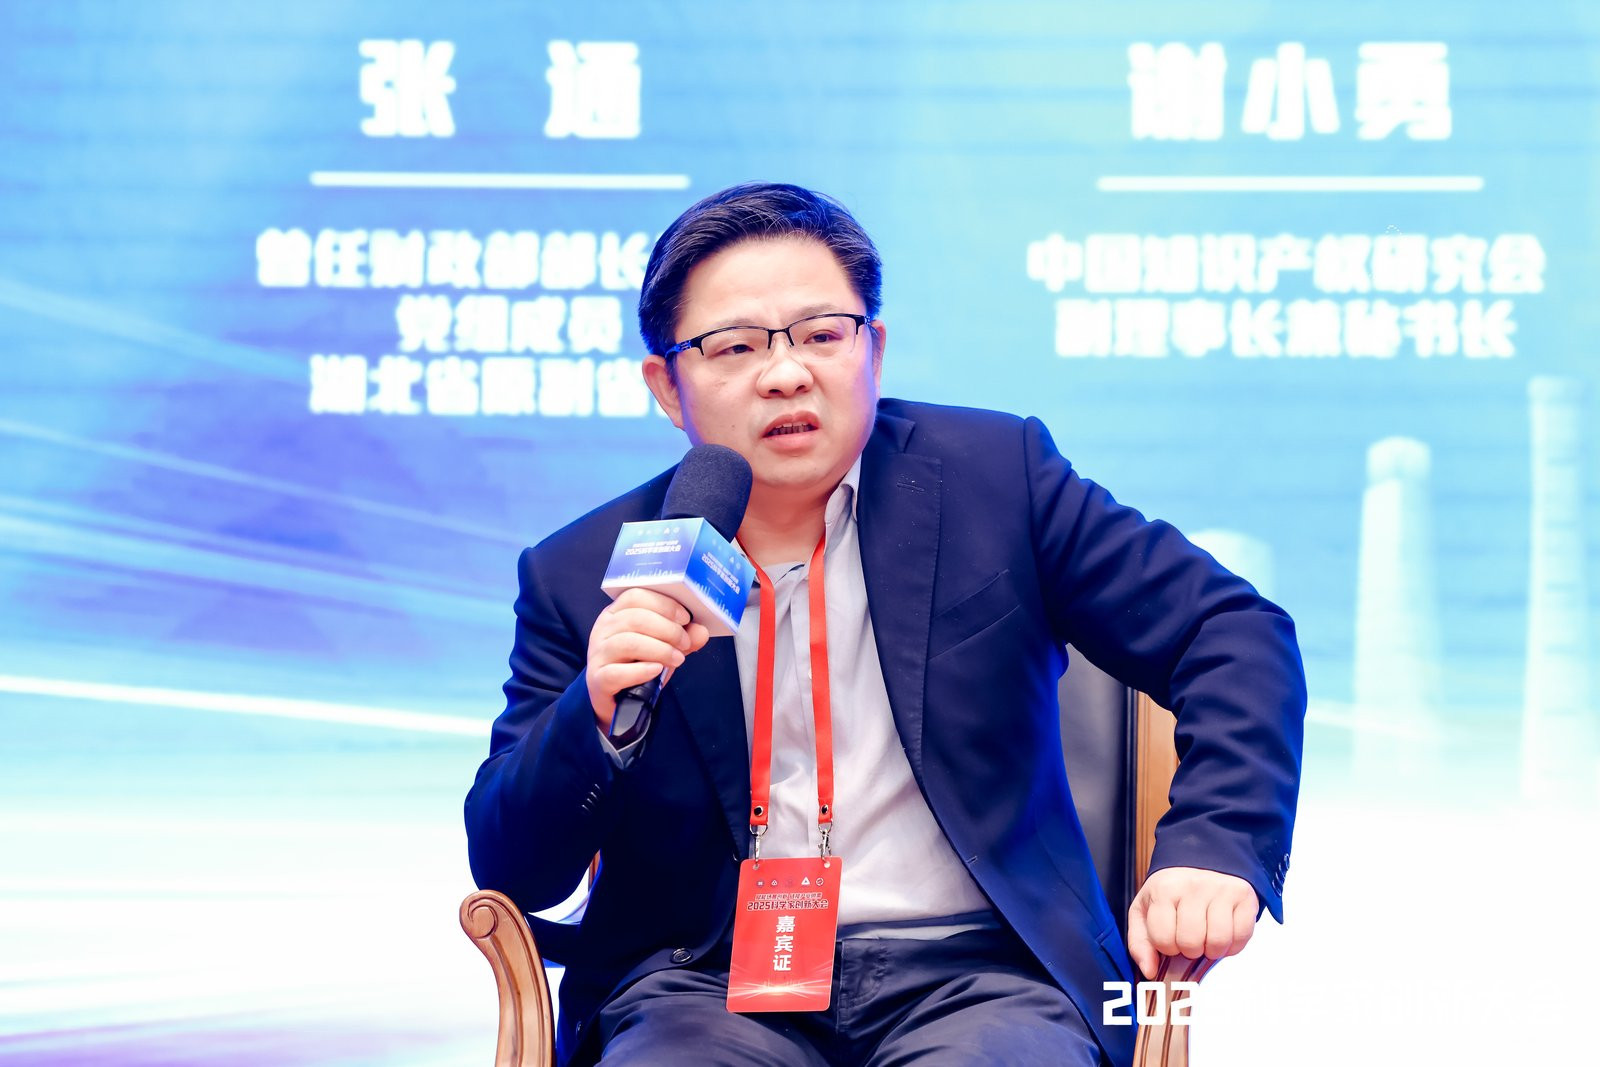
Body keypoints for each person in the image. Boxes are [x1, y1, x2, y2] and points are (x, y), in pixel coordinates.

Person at [465, 182, 1305, 1067]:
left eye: (822, 334)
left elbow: (1230, 631)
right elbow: (515, 867)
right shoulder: (582, 572)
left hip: (985, 976)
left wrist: (1215, 843)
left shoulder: (997, 481)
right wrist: (594, 716)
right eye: (735, 346)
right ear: (667, 388)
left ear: (874, 349)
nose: (786, 373)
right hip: (701, 985)